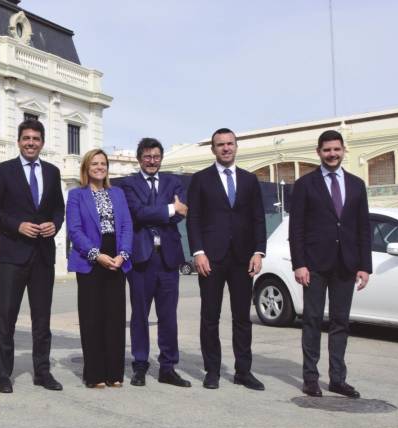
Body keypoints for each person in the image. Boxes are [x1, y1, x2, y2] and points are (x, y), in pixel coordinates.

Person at [289, 130, 371, 398]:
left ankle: (338, 379)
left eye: (336, 149)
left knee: (340, 323)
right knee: (312, 320)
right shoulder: (304, 185)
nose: (332, 154)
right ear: (319, 152)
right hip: (314, 264)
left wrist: (364, 265)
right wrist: (299, 264)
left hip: (346, 265)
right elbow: (297, 228)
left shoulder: (357, 185)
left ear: (344, 150)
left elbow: (363, 228)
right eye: (327, 150)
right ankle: (310, 378)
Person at [0, 119, 66, 393]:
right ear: (18, 141)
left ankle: (42, 372)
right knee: (7, 317)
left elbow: (59, 208)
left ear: (42, 142)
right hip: (12, 255)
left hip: (43, 255)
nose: (31, 142)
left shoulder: (53, 172)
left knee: (42, 319)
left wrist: (55, 224)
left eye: (36, 138)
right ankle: (3, 374)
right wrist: (17, 225)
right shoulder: (4, 171)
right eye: (26, 138)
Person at [186, 128, 267, 391]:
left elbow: (258, 218)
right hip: (211, 258)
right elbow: (194, 218)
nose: (225, 148)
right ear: (213, 149)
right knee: (210, 316)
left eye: (230, 143)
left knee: (242, 317)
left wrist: (258, 251)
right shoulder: (200, 179)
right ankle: (212, 371)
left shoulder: (249, 180)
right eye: (220, 144)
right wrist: (198, 252)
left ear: (236, 146)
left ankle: (243, 371)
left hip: (243, 258)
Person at [117, 138, 191, 388]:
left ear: (161, 158)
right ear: (139, 158)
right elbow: (136, 213)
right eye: (147, 157)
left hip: (168, 258)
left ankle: (168, 367)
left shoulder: (174, 182)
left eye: (156, 156)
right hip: (141, 259)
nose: (152, 161)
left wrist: (157, 212)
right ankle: (139, 365)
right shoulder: (128, 184)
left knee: (168, 316)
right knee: (140, 315)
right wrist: (169, 208)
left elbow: (181, 214)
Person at [66, 149, 132, 388]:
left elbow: (126, 226)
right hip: (90, 260)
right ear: (86, 167)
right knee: (92, 318)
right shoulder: (76, 195)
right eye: (94, 163)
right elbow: (74, 230)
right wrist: (97, 255)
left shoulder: (118, 193)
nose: (99, 167)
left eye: (103, 163)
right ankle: (94, 374)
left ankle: (114, 373)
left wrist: (123, 254)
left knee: (115, 317)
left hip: (116, 258)